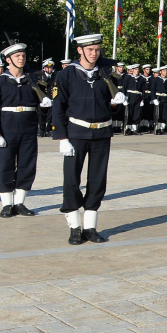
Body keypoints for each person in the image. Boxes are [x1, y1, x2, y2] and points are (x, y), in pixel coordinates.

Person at [51, 34, 125, 245]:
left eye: (97, 50)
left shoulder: (105, 74)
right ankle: (75, 228)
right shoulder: (67, 75)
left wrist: (115, 104)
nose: (94, 53)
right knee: (72, 180)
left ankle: (90, 227)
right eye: (90, 50)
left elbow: (111, 106)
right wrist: (62, 137)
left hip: (102, 133)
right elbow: (59, 107)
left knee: (97, 180)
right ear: (80, 51)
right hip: (76, 133)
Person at [0, 42, 44, 218]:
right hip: (7, 128)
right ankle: (6, 204)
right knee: (6, 165)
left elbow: (41, 106)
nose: (21, 58)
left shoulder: (32, 80)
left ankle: (19, 202)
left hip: (28, 128)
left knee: (27, 165)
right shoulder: (0, 83)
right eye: (17, 56)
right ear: (8, 59)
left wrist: (46, 106)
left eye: (23, 56)